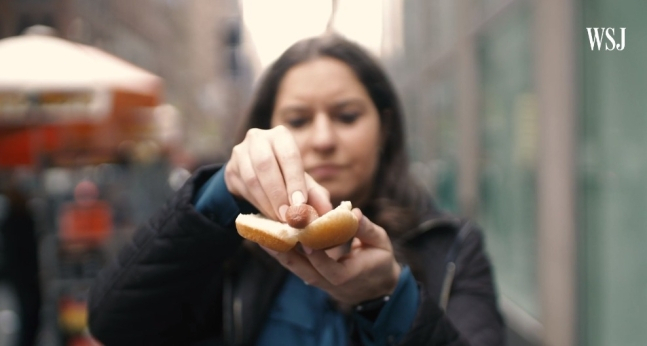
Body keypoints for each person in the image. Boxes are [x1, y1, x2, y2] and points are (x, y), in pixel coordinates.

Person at [88, 34, 504, 345]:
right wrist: (222, 193)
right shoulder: (232, 249)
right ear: (266, 132)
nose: (323, 139)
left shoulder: (451, 247)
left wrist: (389, 297)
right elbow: (115, 324)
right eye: (298, 120)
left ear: (385, 127)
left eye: (346, 115)